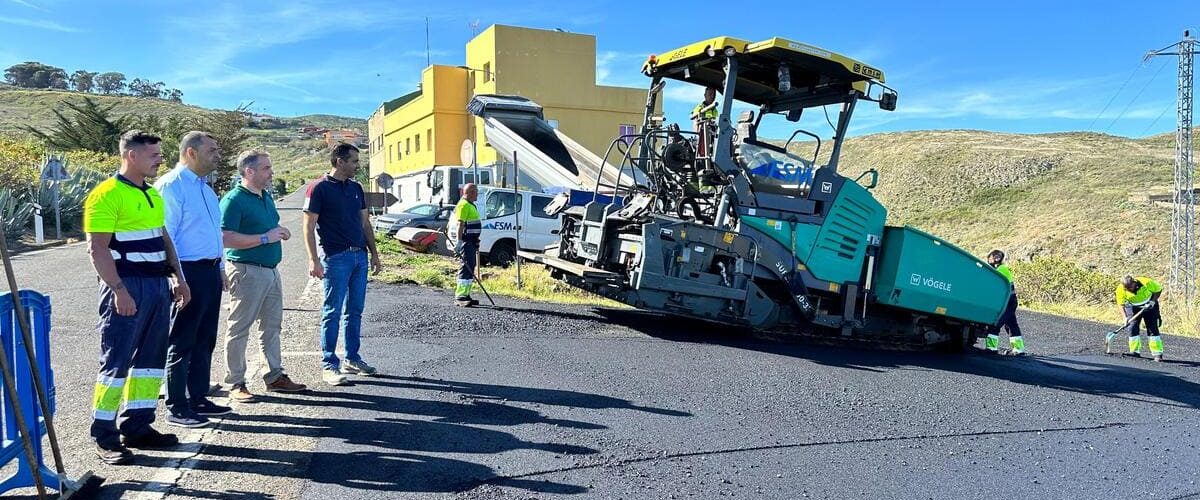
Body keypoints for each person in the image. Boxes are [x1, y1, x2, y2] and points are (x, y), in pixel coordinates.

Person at [85, 130, 191, 465]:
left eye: (160, 153)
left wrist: (179, 278)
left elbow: (164, 239)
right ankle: (105, 435)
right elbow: (97, 248)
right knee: (115, 362)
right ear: (131, 155)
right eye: (153, 154)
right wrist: (118, 290)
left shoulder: (153, 195)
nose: (160, 159)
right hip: (126, 285)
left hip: (158, 287)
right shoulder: (106, 195)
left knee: (149, 362)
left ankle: (139, 426)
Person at [154, 131, 231, 429]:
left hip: (209, 272)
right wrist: (176, 277)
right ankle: (177, 405)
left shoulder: (207, 190)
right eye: (211, 150)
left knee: (205, 338)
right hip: (187, 272)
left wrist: (221, 268)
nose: (217, 155)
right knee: (182, 340)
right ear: (191, 153)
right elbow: (166, 236)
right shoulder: (172, 187)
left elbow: (214, 233)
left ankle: (198, 397)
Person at [220, 150, 308, 401]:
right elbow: (225, 238)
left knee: (271, 327)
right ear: (249, 171)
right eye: (266, 168)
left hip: (270, 271)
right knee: (240, 327)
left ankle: (274, 377)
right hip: (246, 271)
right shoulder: (234, 200)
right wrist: (264, 238)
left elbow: (268, 227)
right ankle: (236, 382)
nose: (271, 172)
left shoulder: (266, 197)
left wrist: (279, 231)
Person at [303, 143, 382, 386]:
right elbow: (307, 226)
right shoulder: (318, 188)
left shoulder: (357, 188)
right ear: (339, 161)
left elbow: (365, 224)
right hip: (336, 258)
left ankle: (352, 358)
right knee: (332, 311)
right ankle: (329, 364)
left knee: (355, 310)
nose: (358, 166)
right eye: (354, 161)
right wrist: (313, 260)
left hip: (359, 257)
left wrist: (374, 253)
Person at [1112, 275, 1164, 361]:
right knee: (1132, 327)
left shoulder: (1145, 282)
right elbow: (1121, 304)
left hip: (1149, 305)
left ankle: (1157, 353)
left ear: (1134, 282)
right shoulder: (1121, 289)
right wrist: (1124, 318)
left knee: (1152, 328)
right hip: (1133, 307)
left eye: (1130, 287)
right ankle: (1135, 351)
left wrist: (1152, 302)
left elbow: (1158, 290)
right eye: (1127, 288)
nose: (1129, 289)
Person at [984, 249, 1024, 355]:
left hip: (1008, 301)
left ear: (997, 258)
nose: (989, 260)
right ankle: (1018, 349)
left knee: (996, 323)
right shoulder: (1001, 269)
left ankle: (991, 348)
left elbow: (992, 282)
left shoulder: (1001, 270)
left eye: (991, 258)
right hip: (1009, 301)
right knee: (1011, 325)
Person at [451, 183, 482, 306]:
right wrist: (458, 242)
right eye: (475, 192)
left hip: (472, 241)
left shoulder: (471, 205)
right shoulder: (463, 205)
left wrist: (476, 238)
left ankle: (466, 294)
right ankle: (460, 296)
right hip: (466, 242)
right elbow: (460, 224)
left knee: (471, 266)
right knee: (465, 267)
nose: (477, 194)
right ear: (469, 193)